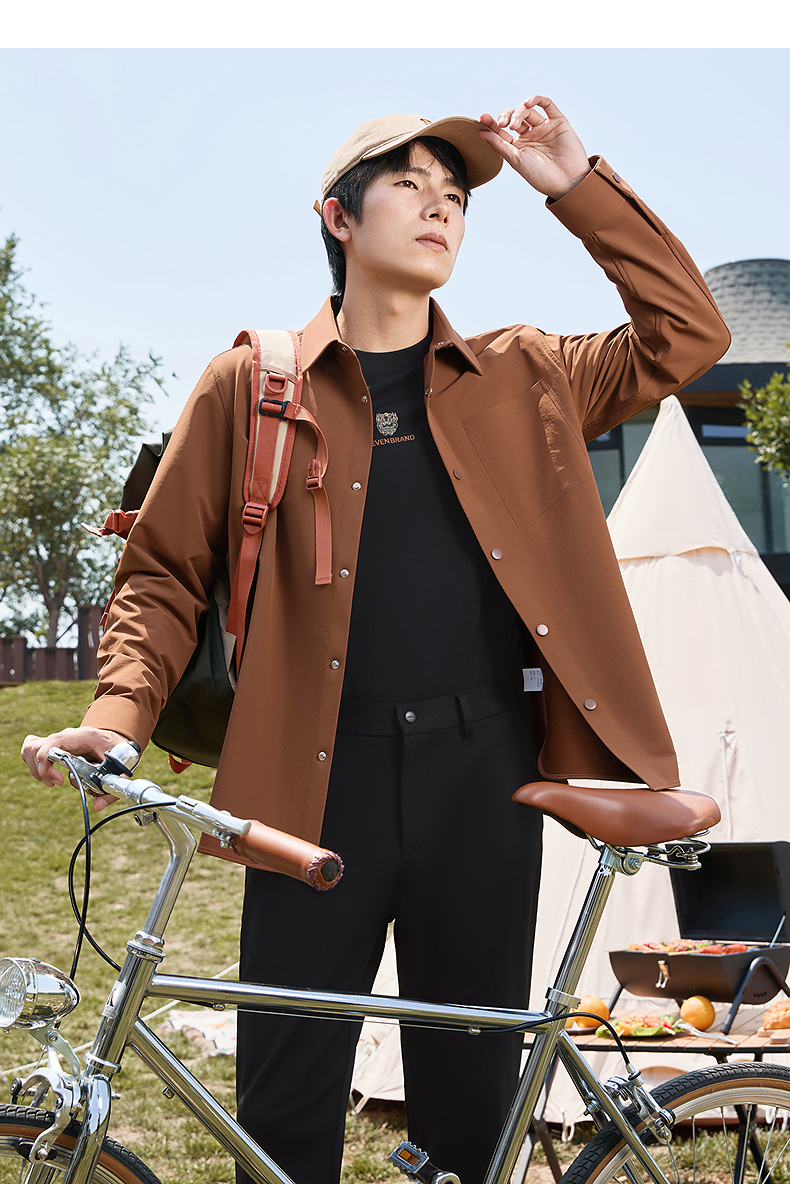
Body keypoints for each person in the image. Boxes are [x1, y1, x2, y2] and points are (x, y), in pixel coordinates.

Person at [22, 97, 730, 1184]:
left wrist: (575, 185)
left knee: (470, 1112)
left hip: (484, 779)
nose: (442, 207)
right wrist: (116, 719)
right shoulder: (251, 387)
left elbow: (689, 333)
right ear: (338, 217)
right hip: (311, 784)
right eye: (410, 185)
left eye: (456, 196)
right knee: (283, 1114)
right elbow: (161, 575)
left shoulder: (526, 374)